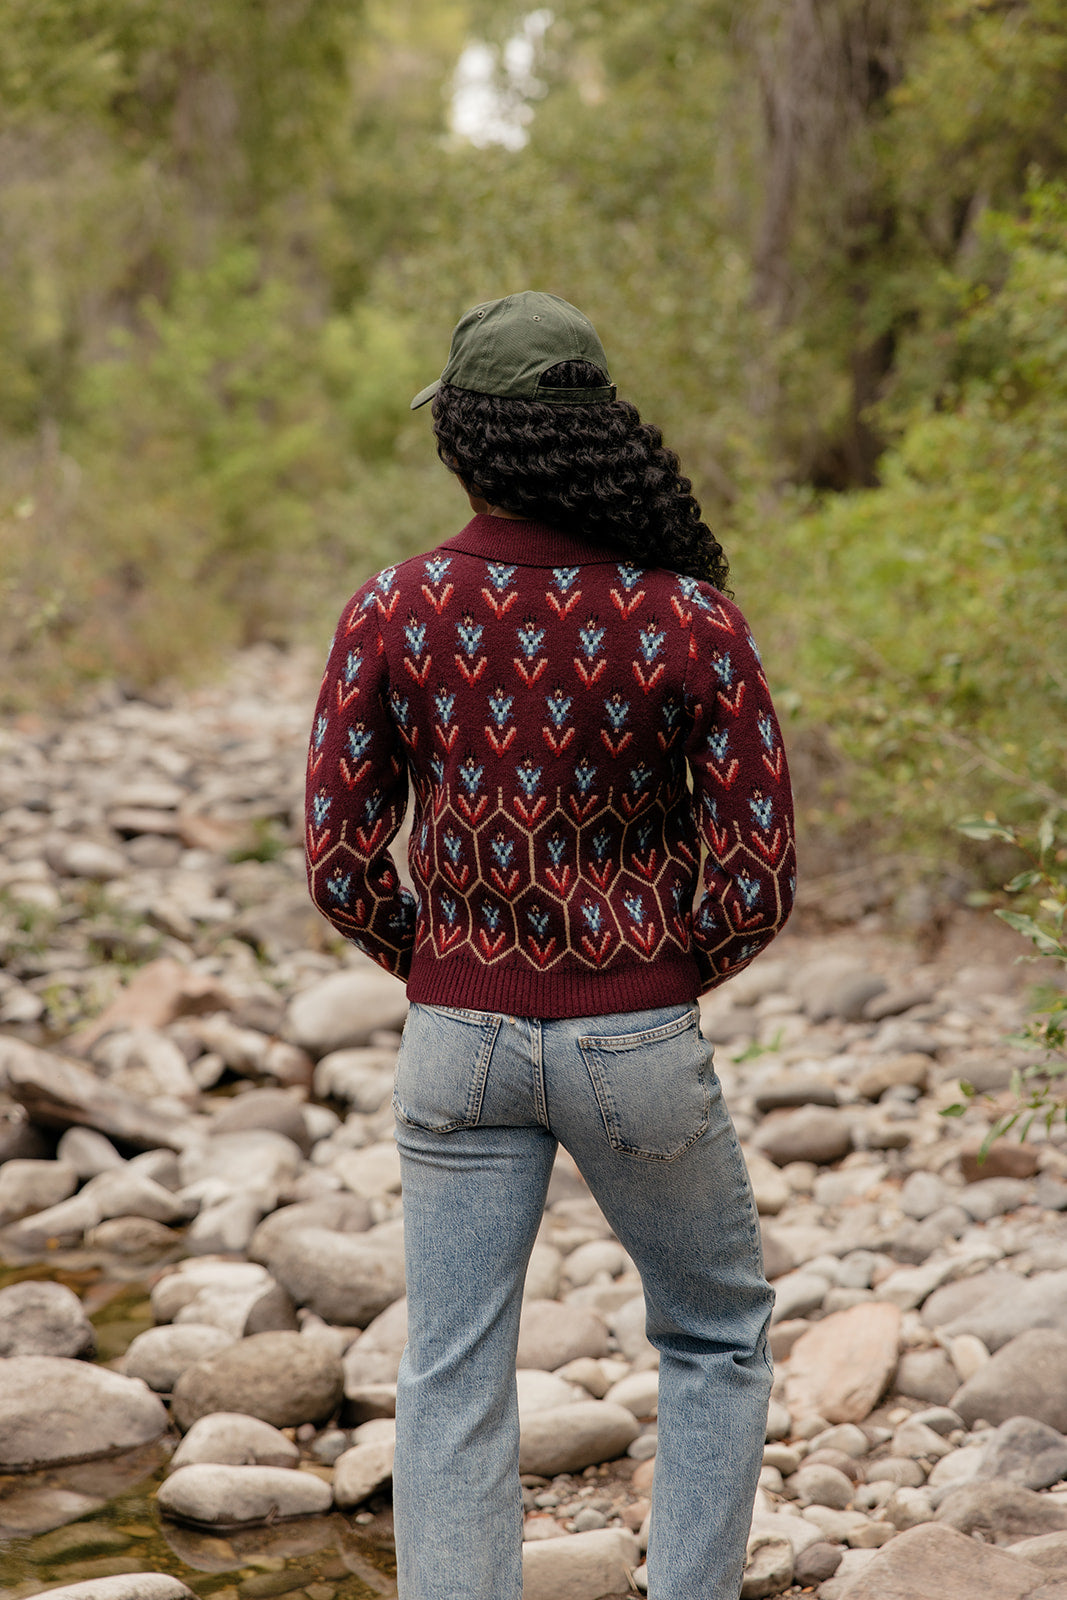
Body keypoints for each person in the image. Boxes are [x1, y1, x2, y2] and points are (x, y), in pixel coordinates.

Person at [305, 290, 796, 1600]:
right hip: (635, 1035)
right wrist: (661, 970)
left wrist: (442, 966)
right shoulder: (691, 620)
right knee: (714, 1338)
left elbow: (340, 858)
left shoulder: (389, 610)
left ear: (464, 440)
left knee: (451, 1374)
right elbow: (753, 872)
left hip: (454, 1044)